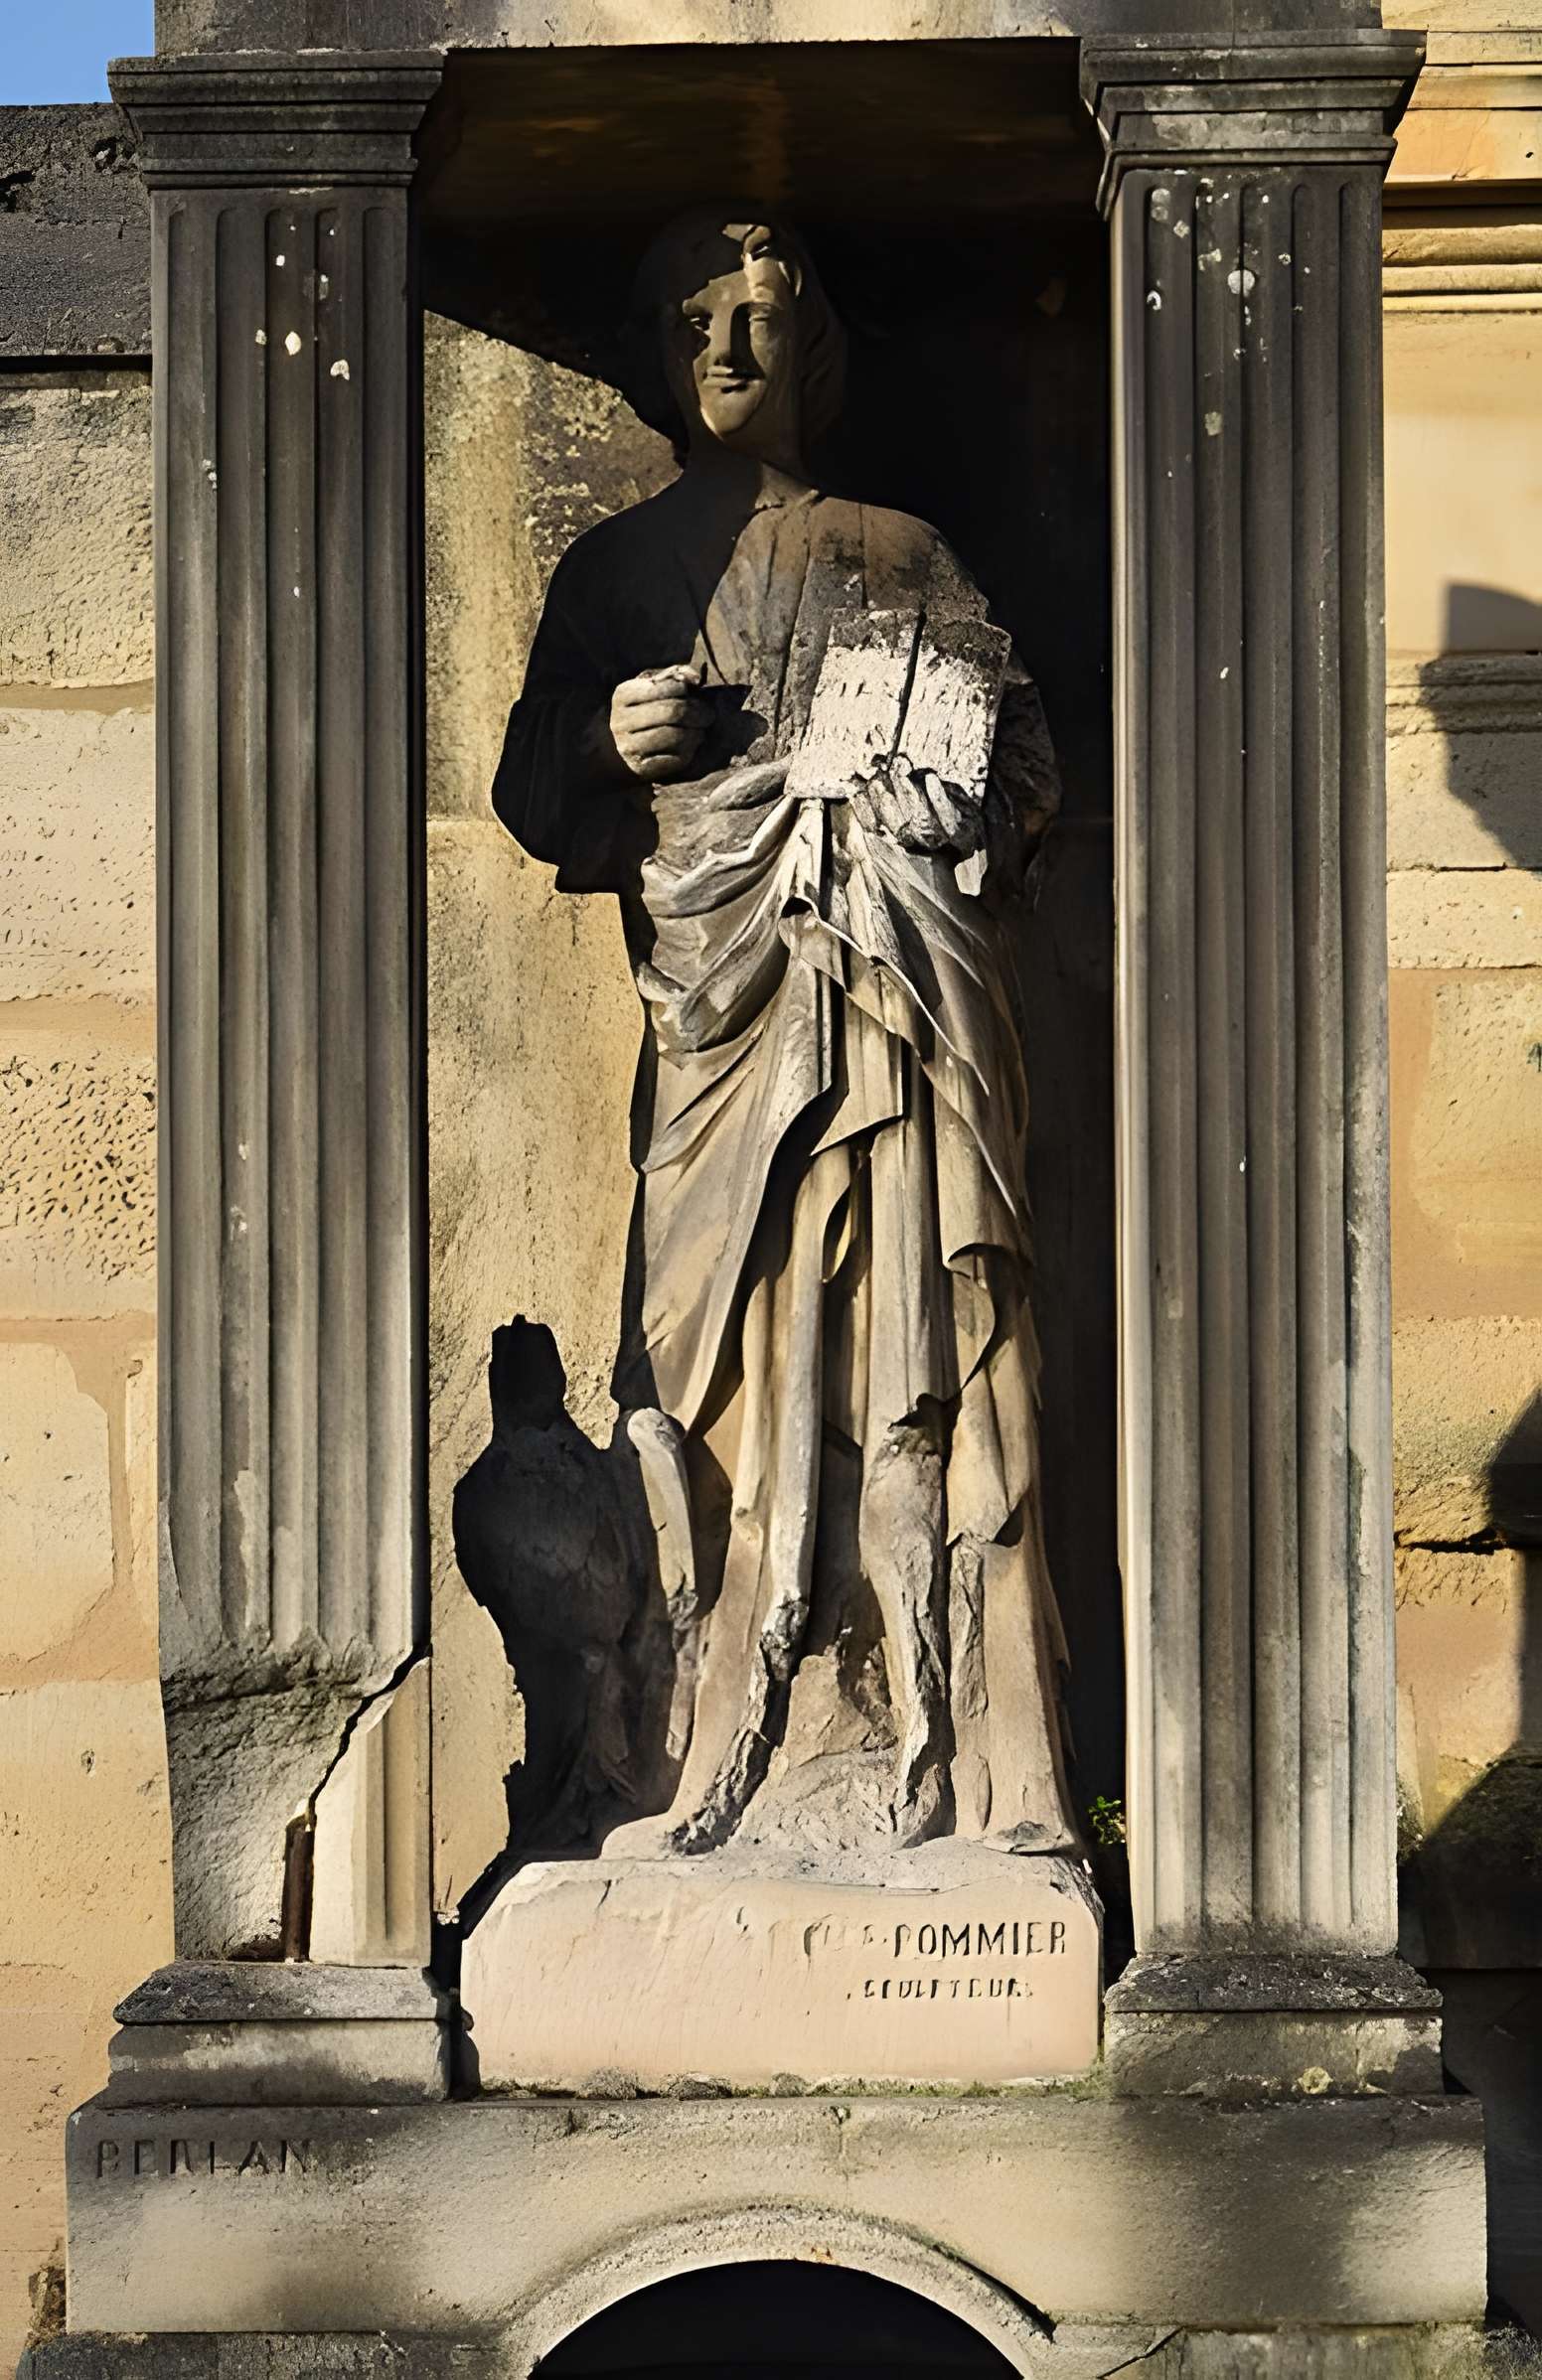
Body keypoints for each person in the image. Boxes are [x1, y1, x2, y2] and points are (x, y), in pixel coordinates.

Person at [493, 211, 1076, 1858]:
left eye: (761, 316)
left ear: (811, 343)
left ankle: (934, 1737)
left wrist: (961, 816)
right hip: (719, 1015)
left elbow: (1025, 771)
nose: (732, 350)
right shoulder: (609, 574)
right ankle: (682, 1727)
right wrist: (606, 740)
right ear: (658, 355)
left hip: (894, 1009)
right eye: (696, 323)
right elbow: (534, 792)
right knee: (695, 1365)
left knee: (906, 1362)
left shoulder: (905, 552)